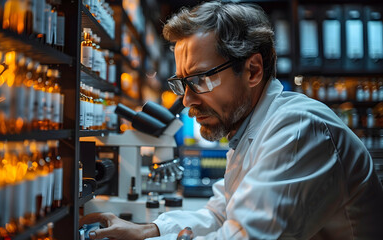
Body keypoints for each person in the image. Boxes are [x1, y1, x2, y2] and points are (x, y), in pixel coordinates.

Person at [79, 1, 383, 239]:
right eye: (182, 83)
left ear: (252, 70)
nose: (186, 100)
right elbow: (221, 212)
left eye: (199, 80)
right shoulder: (250, 129)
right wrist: (148, 231)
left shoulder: (298, 129)